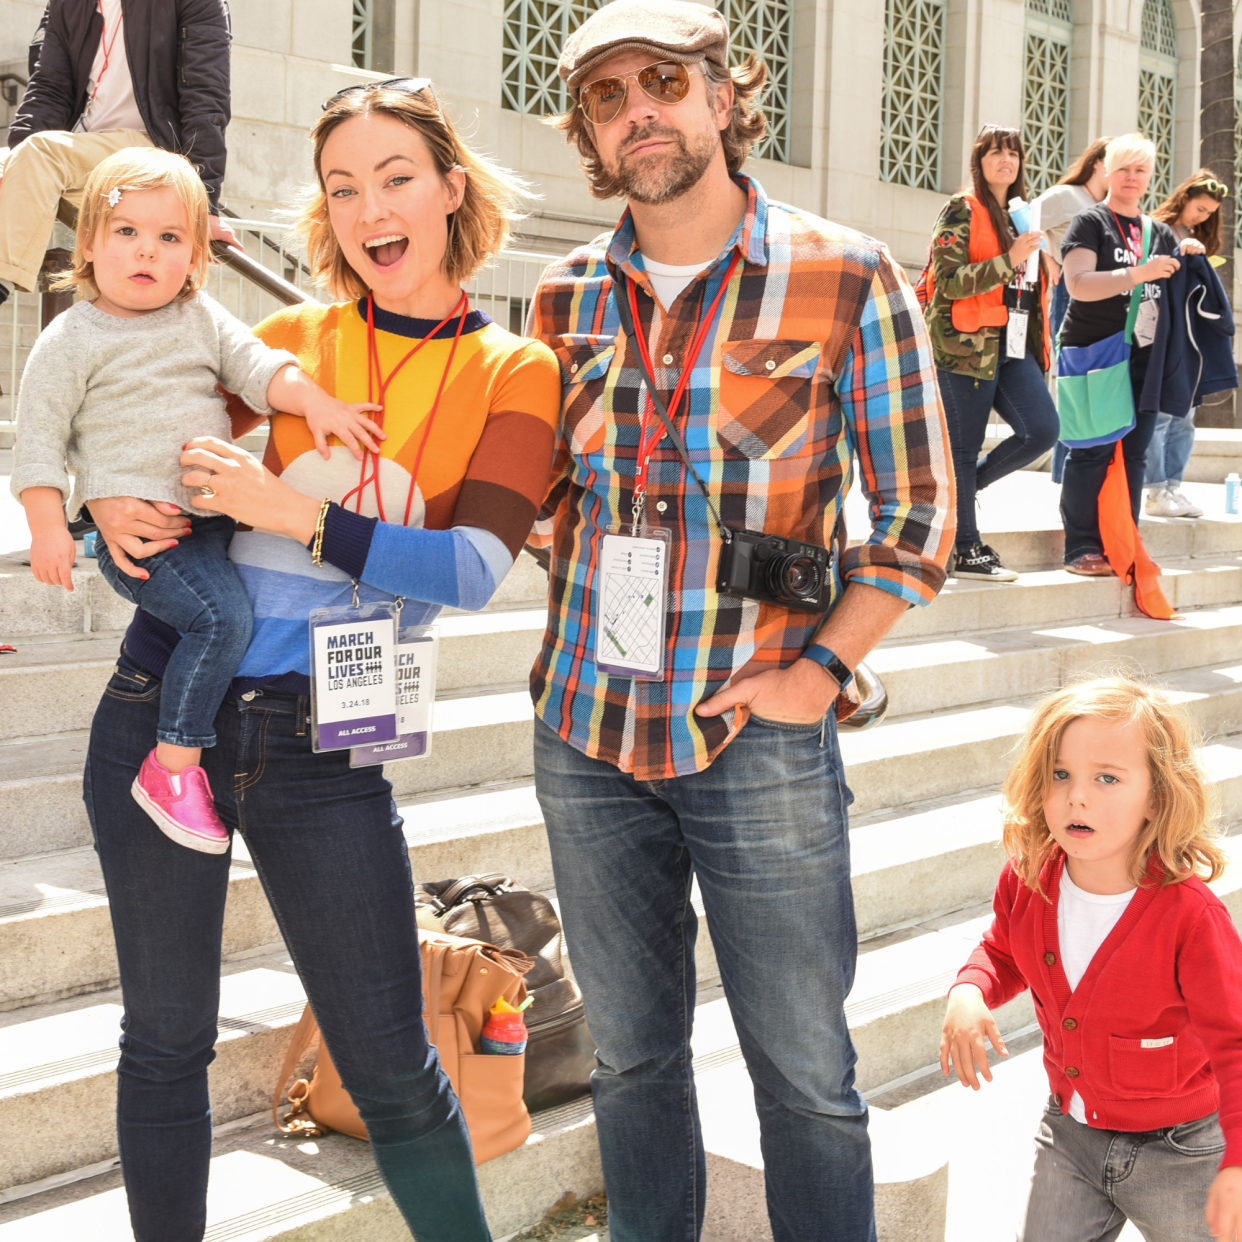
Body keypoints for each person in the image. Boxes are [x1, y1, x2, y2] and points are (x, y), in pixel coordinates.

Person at [80, 80, 561, 1242]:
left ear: (452, 188)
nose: (369, 208)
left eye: (396, 176)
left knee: (392, 1064)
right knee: (164, 1043)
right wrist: (112, 526)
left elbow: (470, 569)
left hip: (324, 749)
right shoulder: (275, 344)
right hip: (162, 713)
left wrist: (291, 515)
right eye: (343, 187)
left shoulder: (514, 369)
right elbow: (143, 490)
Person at [528, 2, 954, 1238]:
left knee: (808, 1082)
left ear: (724, 95)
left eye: (661, 80)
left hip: (758, 729)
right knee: (629, 1065)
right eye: (607, 98)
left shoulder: (845, 273)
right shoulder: (561, 301)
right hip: (588, 726)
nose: (637, 111)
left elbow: (922, 511)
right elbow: (540, 496)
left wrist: (822, 671)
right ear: (592, 138)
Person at [14, 146, 382, 854]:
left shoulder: (200, 318)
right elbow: (38, 441)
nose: (146, 251)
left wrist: (319, 403)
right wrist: (49, 526)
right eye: (126, 233)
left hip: (214, 523)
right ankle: (173, 763)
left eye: (169, 237)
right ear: (88, 243)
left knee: (248, 607)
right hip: (148, 540)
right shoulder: (72, 337)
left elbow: (261, 369)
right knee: (220, 620)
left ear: (196, 256)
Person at [940, 676, 1242, 1242]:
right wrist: (969, 990)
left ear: (1156, 797)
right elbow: (1002, 949)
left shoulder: (1190, 917)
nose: (1077, 796)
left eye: (1107, 778)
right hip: (1070, 1137)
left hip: (1184, 1151)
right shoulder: (1029, 877)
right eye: (1062, 774)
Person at [0, 0, 239, 309]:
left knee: (40, 152)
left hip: (152, 148)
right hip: (88, 146)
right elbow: (49, 88)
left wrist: (204, 203)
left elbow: (206, 98)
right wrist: (15, 163)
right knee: (16, 156)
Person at [1056, 133, 1205, 577]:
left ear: (1149, 177)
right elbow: (1078, 285)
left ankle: (1124, 539)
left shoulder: (1158, 232)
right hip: (1092, 351)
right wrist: (1137, 272)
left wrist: (1189, 252)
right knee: (1091, 449)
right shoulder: (1089, 222)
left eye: (1140, 170)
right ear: (1107, 171)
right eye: (1124, 168)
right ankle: (1081, 547)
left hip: (1144, 357)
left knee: (1135, 453)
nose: (1132, 177)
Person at [924, 124, 1058, 582]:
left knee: (1042, 430)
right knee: (962, 447)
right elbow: (949, 279)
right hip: (963, 345)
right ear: (979, 160)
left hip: (1014, 345)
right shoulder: (963, 208)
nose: (1006, 160)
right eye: (996, 152)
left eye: (1014, 154)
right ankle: (965, 547)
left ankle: (966, 488)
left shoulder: (1020, 214)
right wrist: (1011, 258)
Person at [1143, 170, 1229, 519]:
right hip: (1158, 333)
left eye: (1209, 212)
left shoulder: (1199, 239)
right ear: (1184, 198)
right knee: (1162, 414)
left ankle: (1173, 487)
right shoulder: (1155, 229)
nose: (1202, 216)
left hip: (1188, 337)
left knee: (1185, 415)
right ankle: (1155, 490)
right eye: (1199, 208)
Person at [1036, 137, 1112, 344]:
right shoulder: (1066, 195)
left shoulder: (1110, 207)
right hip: (1070, 290)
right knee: (1069, 361)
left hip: (1103, 295)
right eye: (1115, 163)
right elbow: (1022, 222)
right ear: (1097, 161)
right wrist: (1047, 257)